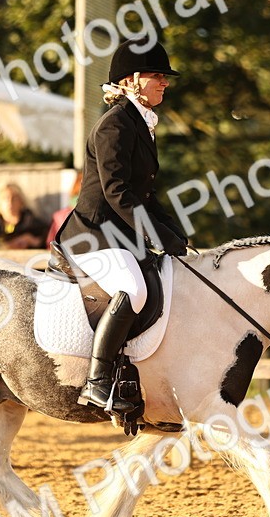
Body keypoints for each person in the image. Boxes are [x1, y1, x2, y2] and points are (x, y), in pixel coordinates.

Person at [54, 37, 190, 421]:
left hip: (120, 235)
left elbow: (146, 192)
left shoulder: (140, 123)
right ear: (131, 80)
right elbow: (117, 192)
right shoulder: (114, 125)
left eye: (165, 77)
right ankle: (98, 380)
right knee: (133, 287)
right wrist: (154, 234)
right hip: (93, 236)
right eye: (157, 76)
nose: (164, 82)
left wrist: (174, 233)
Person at [0, 183, 49, 250]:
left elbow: (52, 253)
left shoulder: (37, 227)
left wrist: (34, 242)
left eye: (14, 198)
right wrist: (3, 247)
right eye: (4, 198)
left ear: (21, 201)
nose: (9, 202)